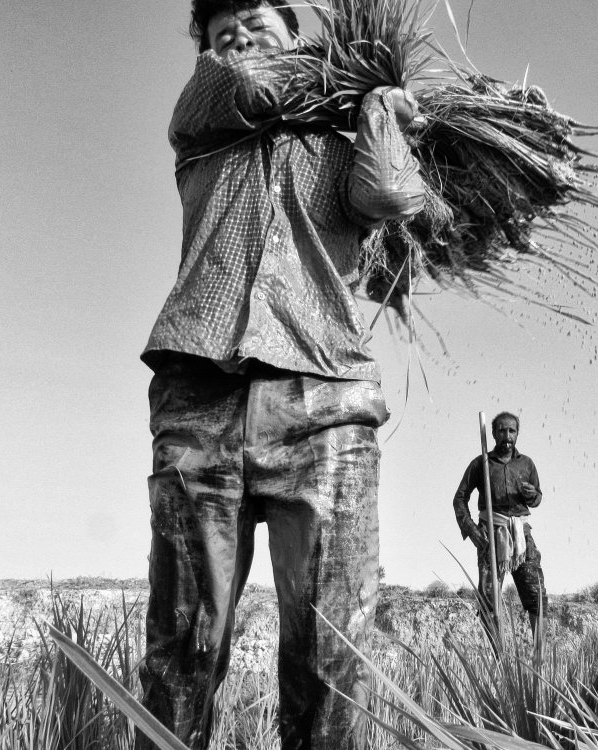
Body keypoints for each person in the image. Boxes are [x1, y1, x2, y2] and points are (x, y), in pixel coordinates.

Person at [137, 1, 425, 748]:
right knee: (183, 651)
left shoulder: (340, 139)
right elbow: (247, 86)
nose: (235, 33)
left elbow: (392, 199)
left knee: (332, 651)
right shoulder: (203, 118)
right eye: (218, 27)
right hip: (201, 394)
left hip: (322, 396)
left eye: (256, 17)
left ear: (297, 29)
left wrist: (381, 112)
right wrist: (342, 76)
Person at [452, 412, 548, 637]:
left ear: (517, 434)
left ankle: (539, 657)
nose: (507, 435)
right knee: (489, 598)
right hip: (490, 535)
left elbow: (537, 499)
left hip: (521, 536)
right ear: (494, 433)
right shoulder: (481, 463)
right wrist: (472, 530)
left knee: (536, 594)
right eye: (502, 430)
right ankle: (498, 659)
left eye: (512, 431)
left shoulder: (526, 464)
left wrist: (533, 494)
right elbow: (459, 498)